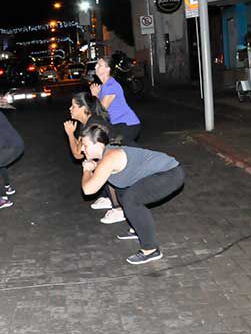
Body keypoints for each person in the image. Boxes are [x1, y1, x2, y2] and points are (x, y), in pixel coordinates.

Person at [80, 124, 185, 265]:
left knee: (132, 199)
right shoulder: (106, 156)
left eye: (85, 145)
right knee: (123, 192)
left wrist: (87, 170)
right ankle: (137, 228)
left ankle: (151, 249)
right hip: (163, 173)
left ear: (98, 144)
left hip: (170, 173)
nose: (82, 149)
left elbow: (88, 190)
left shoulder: (110, 157)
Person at [62, 92, 122, 222]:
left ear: (83, 108)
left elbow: (77, 154)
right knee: (95, 162)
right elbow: (80, 148)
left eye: (73, 106)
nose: (70, 109)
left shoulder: (92, 124)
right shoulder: (87, 121)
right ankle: (109, 198)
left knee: (102, 166)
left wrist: (70, 134)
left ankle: (118, 209)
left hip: (120, 155)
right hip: (112, 153)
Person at [90, 55, 141, 145]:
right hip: (116, 125)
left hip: (127, 125)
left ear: (107, 69)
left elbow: (101, 111)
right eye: (96, 64)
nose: (95, 67)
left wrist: (95, 96)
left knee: (124, 150)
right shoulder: (104, 86)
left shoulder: (111, 86)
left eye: (99, 65)